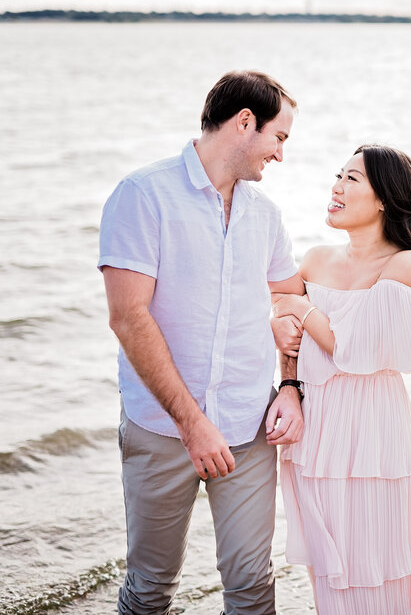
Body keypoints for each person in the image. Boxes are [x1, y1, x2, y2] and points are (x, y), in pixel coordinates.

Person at [99, 70, 307, 614]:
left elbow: (289, 297)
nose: (280, 154)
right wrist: (193, 425)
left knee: (252, 589)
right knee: (149, 590)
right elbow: (128, 317)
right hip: (161, 430)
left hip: (247, 424)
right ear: (245, 123)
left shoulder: (265, 214)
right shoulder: (142, 195)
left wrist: (289, 384)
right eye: (278, 137)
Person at [271, 144, 411, 614]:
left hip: (374, 433)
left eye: (352, 179)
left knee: (383, 562)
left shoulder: (404, 264)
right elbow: (275, 316)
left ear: (385, 198)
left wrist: (300, 309)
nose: (336, 187)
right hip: (317, 431)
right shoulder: (315, 259)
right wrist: (282, 332)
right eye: (337, 176)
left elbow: (354, 348)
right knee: (331, 569)